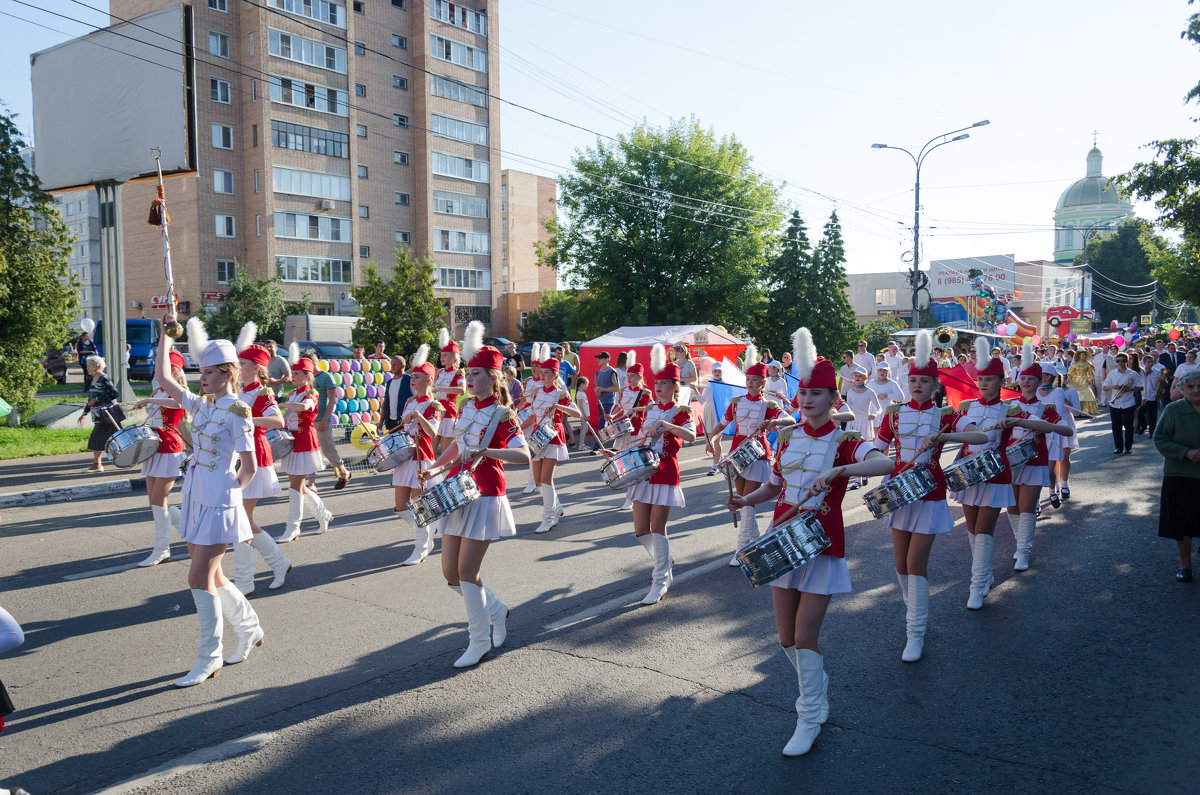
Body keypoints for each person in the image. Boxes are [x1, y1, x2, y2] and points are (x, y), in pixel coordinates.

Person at [728, 329, 893, 756]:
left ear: (832, 399)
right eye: (804, 393)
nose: (808, 400)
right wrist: (745, 497)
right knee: (785, 638)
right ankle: (814, 682)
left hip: (821, 545)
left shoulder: (843, 441)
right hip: (782, 540)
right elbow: (774, 489)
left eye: (818, 394)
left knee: (804, 637)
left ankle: (809, 714)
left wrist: (841, 473)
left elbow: (887, 461)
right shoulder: (785, 437)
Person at [154, 315, 264, 688]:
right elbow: (164, 379)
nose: (202, 378)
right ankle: (249, 629)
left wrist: (229, 491)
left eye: (210, 373)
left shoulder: (238, 410)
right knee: (213, 574)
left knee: (198, 575)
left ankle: (209, 656)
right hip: (195, 491)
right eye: (200, 372)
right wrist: (165, 336)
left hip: (219, 498)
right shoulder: (201, 405)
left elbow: (248, 465)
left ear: (228, 373)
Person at [872, 331, 987, 662]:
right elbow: (877, 451)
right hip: (897, 490)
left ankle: (915, 633)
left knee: (914, 563)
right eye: (914, 380)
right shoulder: (893, 413)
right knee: (899, 564)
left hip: (929, 490)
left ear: (936, 385)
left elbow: (978, 436)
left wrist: (946, 435)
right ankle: (915, 612)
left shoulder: (946, 414)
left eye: (925, 381)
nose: (918, 386)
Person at [420, 326, 530, 668]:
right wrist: (436, 468)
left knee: (467, 570)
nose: (469, 378)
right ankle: (497, 609)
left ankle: (478, 640)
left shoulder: (503, 413)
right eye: (468, 373)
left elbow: (523, 456)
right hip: (456, 491)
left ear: (493, 377)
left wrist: (488, 449)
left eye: (476, 373)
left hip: (484, 494)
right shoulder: (467, 405)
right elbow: (456, 445)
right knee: (450, 574)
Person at [603, 343, 696, 605]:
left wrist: (668, 425)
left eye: (665, 383)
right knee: (640, 530)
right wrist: (618, 454)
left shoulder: (681, 412)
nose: (659, 387)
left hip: (666, 471)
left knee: (657, 528)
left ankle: (660, 581)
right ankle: (665, 560)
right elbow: (641, 440)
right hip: (644, 471)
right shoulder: (651, 408)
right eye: (657, 382)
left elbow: (691, 436)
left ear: (675, 386)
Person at [952, 338, 1020, 609]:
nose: (983, 384)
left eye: (990, 379)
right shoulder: (967, 406)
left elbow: (1051, 428)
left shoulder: (1010, 407)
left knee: (983, 531)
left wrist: (1018, 421)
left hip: (994, 473)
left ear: (1000, 380)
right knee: (971, 530)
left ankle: (977, 586)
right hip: (968, 472)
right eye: (981, 379)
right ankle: (986, 574)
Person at [706, 345, 786, 566]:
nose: (750, 383)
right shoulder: (736, 403)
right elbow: (721, 425)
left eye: (754, 380)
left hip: (758, 454)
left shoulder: (769, 405)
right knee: (741, 500)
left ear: (763, 383)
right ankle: (757, 538)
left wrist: (775, 421)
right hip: (737, 453)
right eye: (748, 379)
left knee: (746, 501)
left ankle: (741, 550)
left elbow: (790, 419)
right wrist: (712, 439)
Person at [230, 328, 292, 595]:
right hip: (237, 456)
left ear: (256, 367)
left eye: (242, 364)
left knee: (240, 520)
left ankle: (245, 580)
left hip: (254, 457)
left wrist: (247, 421)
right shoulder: (240, 390)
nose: (237, 367)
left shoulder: (263, 392)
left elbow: (278, 421)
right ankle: (279, 563)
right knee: (242, 519)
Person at [1006, 343, 1073, 570]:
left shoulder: (1046, 409)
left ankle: (1024, 552)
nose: (1026, 383)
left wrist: (1040, 424)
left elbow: (1067, 430)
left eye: (1031, 380)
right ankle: (1020, 545)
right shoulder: (1008, 406)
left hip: (1035, 461)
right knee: (1012, 508)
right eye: (1023, 379)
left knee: (1027, 506)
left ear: (1039, 382)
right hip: (1010, 462)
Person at [131, 348, 190, 567]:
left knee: (159, 501)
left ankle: (162, 550)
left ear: (174, 370)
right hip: (154, 447)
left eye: (164, 369)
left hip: (170, 447)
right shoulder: (158, 392)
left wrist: (150, 401)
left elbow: (180, 405)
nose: (159, 373)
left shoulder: (178, 391)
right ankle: (189, 525)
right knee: (154, 502)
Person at [393, 345, 445, 566]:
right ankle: (428, 528)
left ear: (429, 381)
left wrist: (418, 416)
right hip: (405, 456)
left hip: (422, 456)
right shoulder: (409, 402)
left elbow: (433, 432)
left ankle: (421, 548)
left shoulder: (434, 405)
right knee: (400, 507)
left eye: (417, 377)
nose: (412, 380)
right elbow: (404, 429)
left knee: (418, 505)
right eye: (412, 376)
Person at [277, 345, 333, 542]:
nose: (293, 376)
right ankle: (323, 514)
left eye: (297, 374)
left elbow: (305, 408)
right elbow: (286, 418)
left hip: (305, 440)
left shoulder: (312, 394)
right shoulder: (292, 394)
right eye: (293, 373)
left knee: (295, 484)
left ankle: (293, 527)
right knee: (298, 485)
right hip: (292, 441)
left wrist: (282, 404)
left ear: (308, 376)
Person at [1153, 368, 1200, 582]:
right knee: (1182, 523)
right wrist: (1185, 453)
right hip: (1179, 474)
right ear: (1182, 388)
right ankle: (1185, 565)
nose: (1196, 390)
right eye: (1190, 387)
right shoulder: (1173, 410)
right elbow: (1160, 439)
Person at [529, 354, 581, 533]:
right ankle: (556, 507)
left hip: (553, 436)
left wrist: (559, 407)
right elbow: (532, 416)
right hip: (537, 436)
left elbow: (577, 415)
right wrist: (517, 430)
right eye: (541, 372)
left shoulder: (561, 393)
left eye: (546, 373)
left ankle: (549, 518)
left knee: (545, 479)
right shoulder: (537, 392)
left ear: (555, 375)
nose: (542, 375)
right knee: (538, 481)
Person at [609, 350, 653, 509]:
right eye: (628, 375)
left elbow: (651, 408)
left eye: (632, 376)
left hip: (637, 431)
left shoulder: (645, 393)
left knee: (635, 465)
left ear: (640, 377)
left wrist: (635, 410)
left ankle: (632, 498)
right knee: (624, 464)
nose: (628, 378)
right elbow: (621, 408)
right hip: (623, 430)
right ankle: (632, 497)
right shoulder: (623, 391)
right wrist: (612, 416)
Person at [312, 354, 352, 490]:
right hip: (309, 419)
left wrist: (324, 420)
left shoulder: (326, 377)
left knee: (328, 450)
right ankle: (311, 483)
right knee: (309, 450)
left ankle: (343, 472)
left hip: (322, 418)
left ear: (315, 362)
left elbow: (332, 400)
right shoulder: (307, 377)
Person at [78, 356, 120, 472]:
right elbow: (91, 398)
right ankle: (98, 464)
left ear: (99, 367)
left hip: (108, 415)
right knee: (116, 438)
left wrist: (97, 399)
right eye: (87, 365)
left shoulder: (103, 378)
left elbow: (114, 393)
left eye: (90, 365)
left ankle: (98, 464)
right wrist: (84, 413)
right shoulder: (93, 379)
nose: (88, 368)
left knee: (97, 439)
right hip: (99, 416)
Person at [1036, 363, 1069, 509]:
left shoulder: (1058, 392)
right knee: (1034, 470)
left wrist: (1044, 422)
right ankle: (1035, 503)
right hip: (1035, 433)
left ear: (1048, 377)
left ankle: (1051, 491)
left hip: (1052, 433)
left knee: (1049, 469)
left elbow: (1058, 413)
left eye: (1041, 374)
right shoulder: (1034, 391)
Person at [843, 367, 881, 489]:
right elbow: (848, 408)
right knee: (854, 450)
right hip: (853, 422)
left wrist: (874, 414)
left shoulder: (870, 392)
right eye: (856, 376)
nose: (857, 378)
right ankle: (860, 478)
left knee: (862, 450)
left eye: (860, 376)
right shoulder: (850, 392)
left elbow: (878, 408)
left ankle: (860, 478)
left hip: (865, 422)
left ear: (865, 378)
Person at [434, 328, 466, 457]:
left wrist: (441, 389)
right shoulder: (440, 372)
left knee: (446, 454)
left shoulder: (458, 372)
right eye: (441, 355)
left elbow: (462, 390)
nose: (442, 358)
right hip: (436, 411)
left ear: (454, 357)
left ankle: (447, 476)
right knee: (431, 450)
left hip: (448, 412)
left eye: (445, 355)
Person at [1103, 352, 1142, 455]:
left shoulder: (1133, 374)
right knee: (1116, 427)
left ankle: (1128, 447)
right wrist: (1114, 386)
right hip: (1115, 403)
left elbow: (1141, 387)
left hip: (1128, 403)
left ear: (1127, 362)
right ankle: (1118, 447)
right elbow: (1104, 387)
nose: (1119, 363)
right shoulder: (1112, 373)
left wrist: (1130, 389)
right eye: (1118, 361)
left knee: (1129, 426)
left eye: (1122, 361)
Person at [381, 355, 411, 432]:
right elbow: (386, 403)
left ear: (403, 366)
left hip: (405, 422)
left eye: (395, 364)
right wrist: (381, 422)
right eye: (391, 364)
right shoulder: (389, 382)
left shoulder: (409, 380)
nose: (392, 367)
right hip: (391, 422)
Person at [593, 351, 619, 434]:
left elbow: (617, 388)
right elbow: (596, 387)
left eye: (600, 358)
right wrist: (597, 391)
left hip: (609, 401)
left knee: (602, 424)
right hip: (600, 402)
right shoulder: (597, 373)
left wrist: (603, 389)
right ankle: (617, 434)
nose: (598, 360)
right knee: (607, 421)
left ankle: (598, 445)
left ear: (607, 359)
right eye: (598, 358)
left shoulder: (612, 372)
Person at [1139, 354, 1165, 435]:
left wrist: (1162, 380)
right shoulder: (1141, 371)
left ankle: (1152, 431)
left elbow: (1163, 384)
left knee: (1152, 416)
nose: (1150, 363)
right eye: (1148, 362)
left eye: (1152, 362)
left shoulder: (1157, 372)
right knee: (1140, 414)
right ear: (1144, 363)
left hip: (1153, 396)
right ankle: (1143, 427)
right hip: (1143, 396)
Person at [1068, 349, 1098, 415]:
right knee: (1075, 394)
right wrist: (1069, 378)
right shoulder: (1074, 364)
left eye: (1084, 355)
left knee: (1088, 394)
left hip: (1085, 380)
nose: (1083, 356)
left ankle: (1086, 410)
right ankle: (1075, 410)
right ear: (1078, 356)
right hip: (1075, 381)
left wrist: (1091, 379)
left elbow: (1091, 374)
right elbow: (1070, 373)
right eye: (1082, 354)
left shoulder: (1088, 364)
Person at [574, 376, 594, 452]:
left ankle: (582, 444)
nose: (587, 386)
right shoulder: (580, 394)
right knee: (584, 429)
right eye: (586, 384)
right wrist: (585, 415)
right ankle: (581, 445)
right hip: (583, 415)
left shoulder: (581, 393)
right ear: (582, 384)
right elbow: (581, 406)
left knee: (584, 429)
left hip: (584, 415)